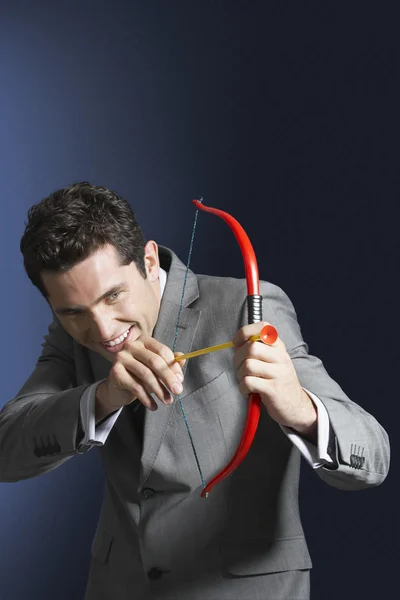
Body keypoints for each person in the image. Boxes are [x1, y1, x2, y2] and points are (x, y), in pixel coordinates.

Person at [0, 182, 390, 600]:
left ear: (149, 261)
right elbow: (7, 448)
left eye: (113, 296)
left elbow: (375, 456)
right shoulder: (70, 336)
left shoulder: (244, 306)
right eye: (73, 312)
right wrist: (103, 397)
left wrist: (300, 408)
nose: (103, 330)